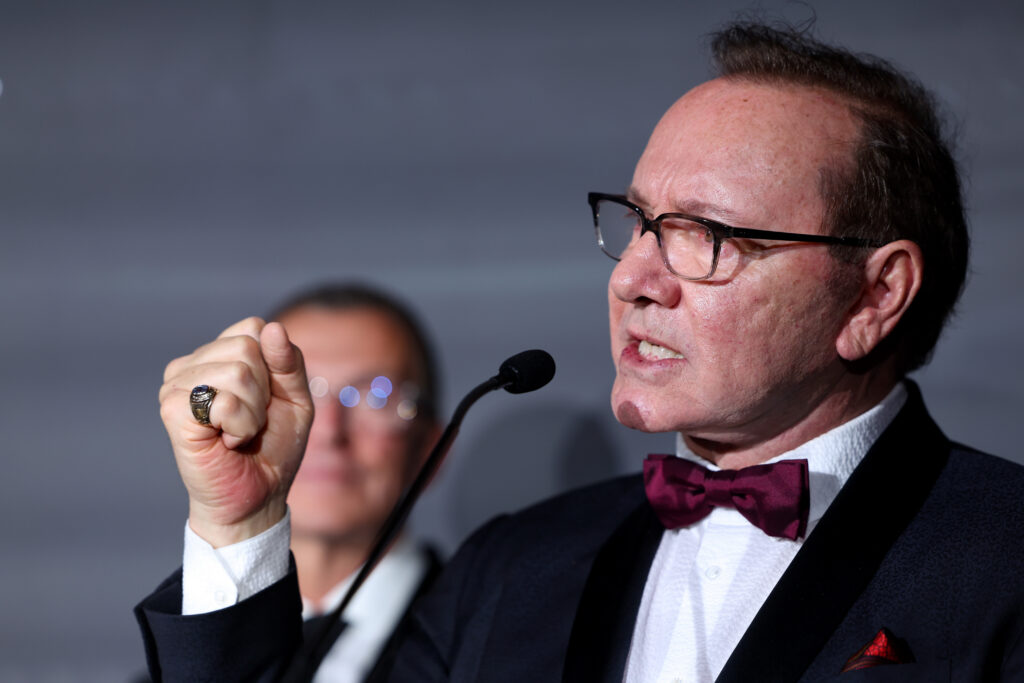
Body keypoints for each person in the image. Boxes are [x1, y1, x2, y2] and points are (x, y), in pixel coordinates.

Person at [136, 22, 1024, 682]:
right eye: (637, 222)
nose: (633, 277)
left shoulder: (1003, 556)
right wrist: (241, 526)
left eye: (706, 236)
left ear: (876, 295)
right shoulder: (513, 567)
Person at [139, 283, 443, 682]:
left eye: (376, 397)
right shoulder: (175, 674)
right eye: (299, 390)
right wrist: (234, 524)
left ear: (433, 449)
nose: (329, 431)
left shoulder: (493, 641)